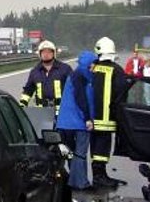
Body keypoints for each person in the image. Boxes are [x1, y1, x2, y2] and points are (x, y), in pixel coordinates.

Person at [91, 36, 130, 188]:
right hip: (108, 117)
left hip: (92, 116)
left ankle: (99, 174)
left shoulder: (92, 68)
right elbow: (122, 94)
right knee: (103, 144)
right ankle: (99, 176)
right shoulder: (117, 70)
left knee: (96, 144)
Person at [56, 51, 98, 191]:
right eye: (93, 65)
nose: (94, 68)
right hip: (78, 122)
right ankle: (80, 183)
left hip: (65, 123)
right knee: (80, 153)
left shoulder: (73, 76)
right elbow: (82, 99)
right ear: (88, 65)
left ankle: (74, 181)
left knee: (70, 153)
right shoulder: (82, 78)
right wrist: (87, 118)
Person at [19, 40, 72, 112]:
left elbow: (74, 89)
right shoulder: (35, 72)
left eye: (49, 52)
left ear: (54, 53)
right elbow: (28, 91)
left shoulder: (65, 69)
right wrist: (21, 106)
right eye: (43, 52)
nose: (46, 54)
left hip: (62, 113)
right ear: (39, 54)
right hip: (41, 113)